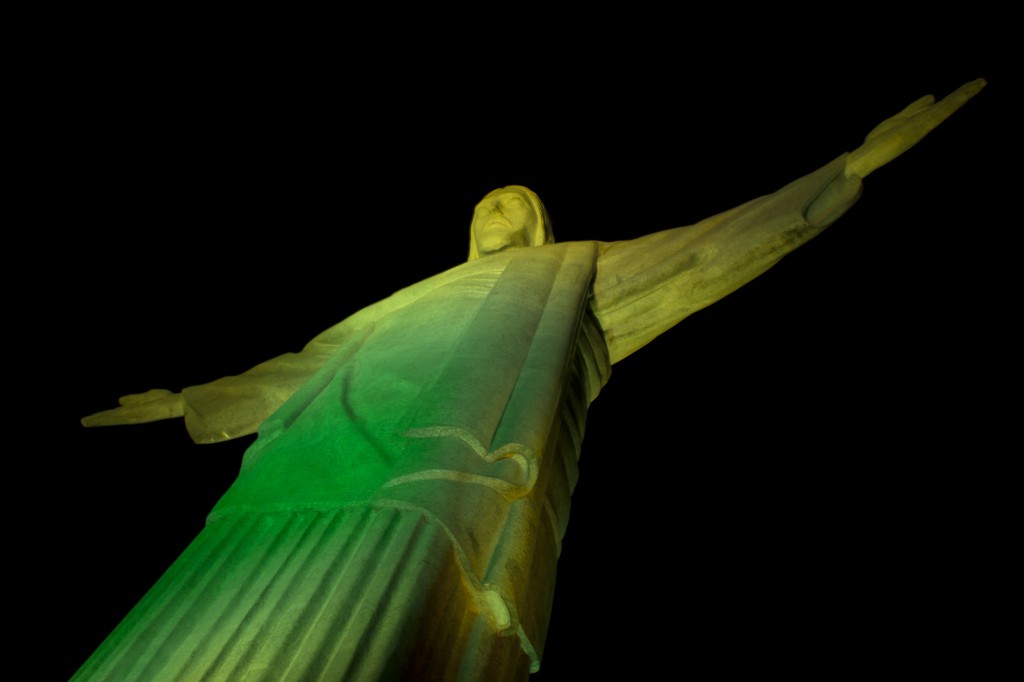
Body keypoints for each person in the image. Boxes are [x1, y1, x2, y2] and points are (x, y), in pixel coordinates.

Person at [75, 79, 985, 681]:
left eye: (515, 199)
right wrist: (192, 401)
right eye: (486, 201)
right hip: (293, 480)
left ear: (541, 223)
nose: (497, 206)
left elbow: (708, 248)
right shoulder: (398, 302)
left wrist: (844, 171)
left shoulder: (572, 276)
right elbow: (300, 368)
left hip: (440, 484)